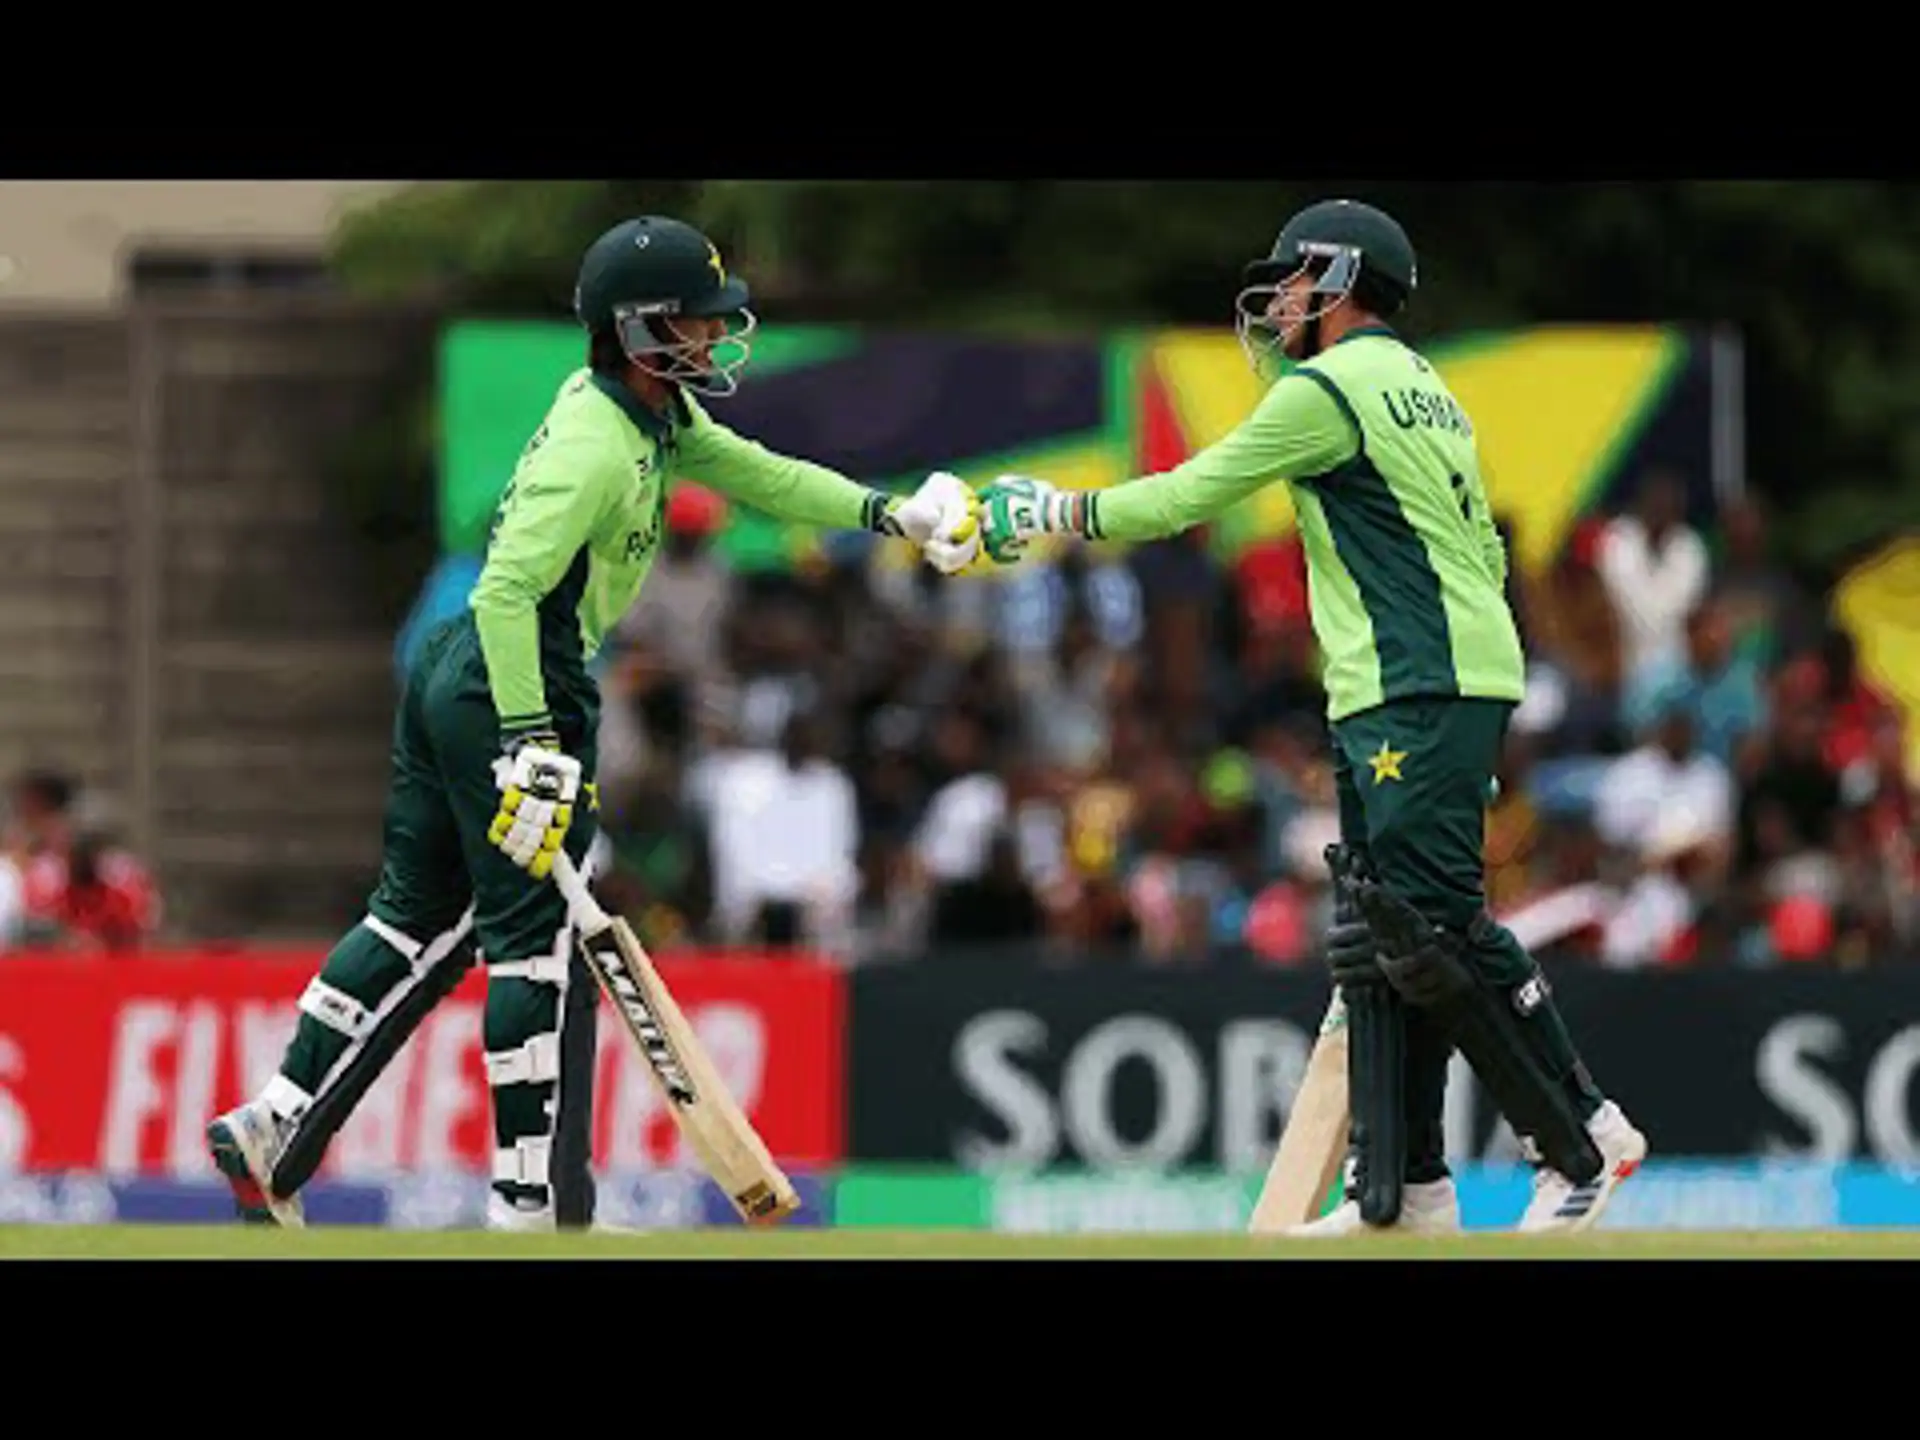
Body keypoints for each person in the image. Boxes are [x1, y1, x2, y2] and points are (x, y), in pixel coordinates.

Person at [205, 214, 980, 1231]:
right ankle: (525, 1200)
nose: (715, 339)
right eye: (699, 323)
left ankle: (275, 1117)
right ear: (644, 328)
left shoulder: (651, 415)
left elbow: (765, 475)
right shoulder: (591, 444)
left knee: (409, 913)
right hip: (515, 678)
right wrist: (529, 739)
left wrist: (894, 516)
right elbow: (504, 594)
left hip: (470, 680)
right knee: (532, 947)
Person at [940, 198, 1647, 1236]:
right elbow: (1486, 553)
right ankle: (1403, 1190)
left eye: (1294, 280)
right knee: (1382, 937)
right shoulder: (1425, 387)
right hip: (1414, 676)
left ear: (1340, 279)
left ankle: (1583, 1139)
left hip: (1421, 679)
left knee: (1432, 925)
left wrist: (1044, 511)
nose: (1277, 301)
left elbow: (1182, 499)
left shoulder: (1334, 388)